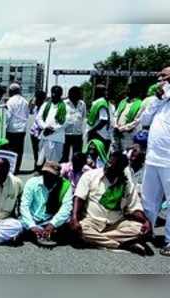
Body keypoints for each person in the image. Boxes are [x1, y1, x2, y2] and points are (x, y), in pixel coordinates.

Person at [70, 151, 152, 255]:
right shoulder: (90, 176)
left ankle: (97, 240)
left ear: (120, 169)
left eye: (113, 166)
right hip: (92, 221)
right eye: (108, 163)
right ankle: (122, 244)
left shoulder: (127, 184)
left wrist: (146, 221)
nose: (108, 166)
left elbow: (134, 207)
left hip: (116, 223)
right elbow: (79, 197)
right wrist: (75, 218)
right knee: (80, 229)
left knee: (140, 229)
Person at [140, 66, 170, 256]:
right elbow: (145, 119)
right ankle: (146, 231)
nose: (160, 79)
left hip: (169, 160)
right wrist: (158, 99)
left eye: (164, 76)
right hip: (152, 158)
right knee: (148, 199)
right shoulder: (159, 101)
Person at [20, 161, 73, 247]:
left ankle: (42, 233)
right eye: (45, 173)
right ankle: (40, 233)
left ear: (57, 176)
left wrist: (53, 224)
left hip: (50, 220)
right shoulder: (32, 182)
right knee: (15, 226)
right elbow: (24, 206)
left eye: (51, 175)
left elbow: (66, 208)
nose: (47, 176)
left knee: (69, 223)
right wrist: (32, 225)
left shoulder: (65, 185)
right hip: (31, 219)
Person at [37, 86, 67, 165]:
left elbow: (66, 121)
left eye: (56, 93)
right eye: (53, 93)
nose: (54, 95)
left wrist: (53, 129)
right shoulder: (45, 105)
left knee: (55, 161)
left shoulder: (65, 106)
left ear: (60, 94)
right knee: (42, 159)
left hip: (58, 137)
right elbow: (38, 118)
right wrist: (45, 127)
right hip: (45, 135)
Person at [5, 83, 29, 174]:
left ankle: (11, 168)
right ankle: (17, 168)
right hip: (22, 129)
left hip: (12, 129)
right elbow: (27, 115)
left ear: (11, 91)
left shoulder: (10, 101)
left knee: (11, 150)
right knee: (19, 150)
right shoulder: (25, 101)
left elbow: (8, 116)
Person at [113, 83, 144, 151]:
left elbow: (137, 121)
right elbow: (116, 115)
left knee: (126, 153)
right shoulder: (123, 102)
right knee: (115, 153)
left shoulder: (140, 104)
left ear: (135, 91)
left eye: (129, 89)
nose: (126, 91)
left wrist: (123, 129)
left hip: (129, 135)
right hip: (117, 132)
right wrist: (116, 126)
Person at [62, 86, 87, 162]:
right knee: (64, 155)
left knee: (77, 156)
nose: (77, 97)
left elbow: (83, 117)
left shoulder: (82, 104)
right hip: (65, 134)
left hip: (78, 134)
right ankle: (63, 171)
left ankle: (74, 171)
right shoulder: (64, 104)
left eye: (78, 95)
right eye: (74, 95)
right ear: (70, 95)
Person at [86, 85, 113, 152]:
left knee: (95, 157)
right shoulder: (105, 103)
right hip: (105, 134)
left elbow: (103, 120)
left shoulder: (100, 103)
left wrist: (92, 131)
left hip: (98, 135)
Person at [29, 90, 46, 171]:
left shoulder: (46, 108)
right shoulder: (36, 107)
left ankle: (41, 167)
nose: (35, 100)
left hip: (41, 133)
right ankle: (37, 166)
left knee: (42, 151)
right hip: (33, 132)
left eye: (37, 98)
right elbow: (30, 110)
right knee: (35, 151)